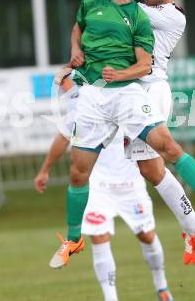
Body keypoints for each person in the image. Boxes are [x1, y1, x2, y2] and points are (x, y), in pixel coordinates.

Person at [49, 0, 195, 271]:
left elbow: (124, 7)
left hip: (150, 88)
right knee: (150, 170)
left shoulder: (172, 16)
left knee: (164, 152)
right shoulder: (140, 9)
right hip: (126, 91)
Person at [34, 81, 174, 301]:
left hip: (131, 183)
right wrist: (44, 170)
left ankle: (162, 286)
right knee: (98, 237)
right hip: (99, 185)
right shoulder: (83, 104)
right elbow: (63, 138)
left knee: (147, 235)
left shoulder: (131, 95)